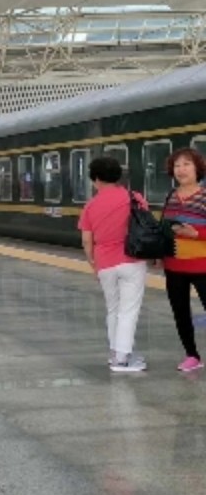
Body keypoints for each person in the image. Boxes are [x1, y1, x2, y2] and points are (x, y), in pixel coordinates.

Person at [78, 156, 148, 372]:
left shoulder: (91, 205)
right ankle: (122, 359)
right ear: (118, 176)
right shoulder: (134, 197)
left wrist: (93, 263)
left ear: (96, 179)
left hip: (105, 263)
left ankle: (115, 353)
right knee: (128, 310)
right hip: (132, 260)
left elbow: (87, 240)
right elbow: (146, 227)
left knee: (113, 309)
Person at [162, 147, 206, 372]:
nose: (181, 169)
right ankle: (192, 355)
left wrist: (196, 233)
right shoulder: (171, 196)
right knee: (180, 313)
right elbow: (164, 227)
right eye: (177, 165)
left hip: (202, 265)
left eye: (186, 164)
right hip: (174, 265)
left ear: (197, 168)